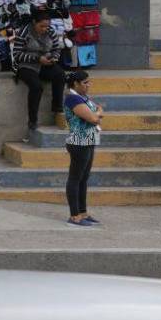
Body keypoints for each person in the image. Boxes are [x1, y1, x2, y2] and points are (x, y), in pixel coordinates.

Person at [12, 10, 66, 133]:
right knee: (36, 86)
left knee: (60, 74)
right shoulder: (24, 32)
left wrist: (54, 58)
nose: (44, 29)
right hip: (26, 66)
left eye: (47, 26)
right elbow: (16, 55)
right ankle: (33, 120)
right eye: (41, 26)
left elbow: (56, 48)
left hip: (45, 64)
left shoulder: (51, 31)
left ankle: (57, 107)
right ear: (34, 23)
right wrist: (36, 58)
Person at [62, 70, 103, 227]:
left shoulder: (82, 98)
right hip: (79, 142)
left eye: (89, 82)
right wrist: (98, 114)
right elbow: (94, 117)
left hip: (89, 141)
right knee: (75, 178)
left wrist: (97, 113)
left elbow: (99, 109)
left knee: (83, 178)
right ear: (75, 84)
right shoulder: (72, 99)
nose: (88, 85)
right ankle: (74, 216)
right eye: (85, 83)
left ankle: (83, 212)